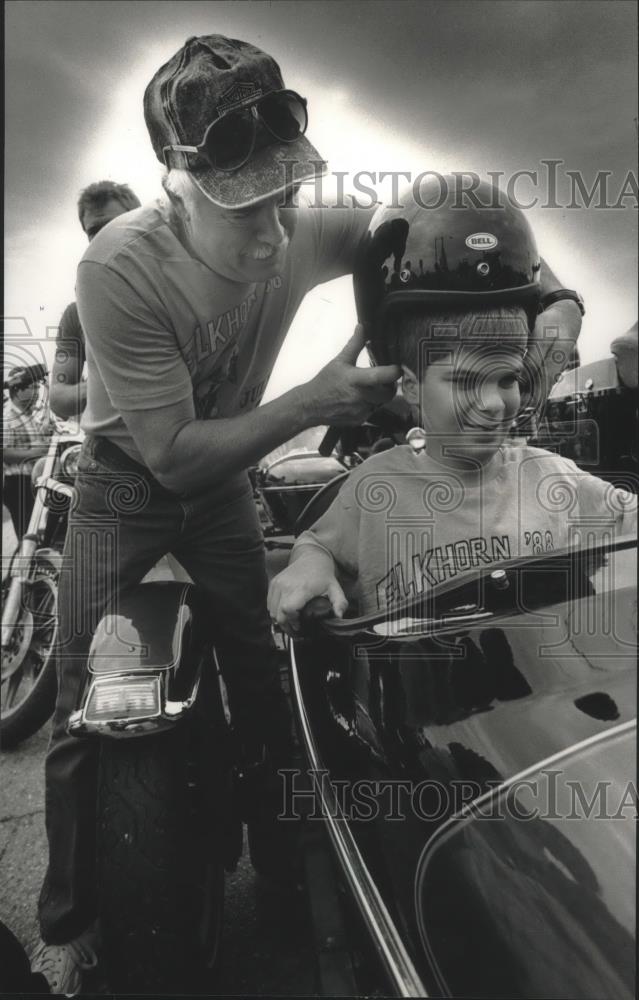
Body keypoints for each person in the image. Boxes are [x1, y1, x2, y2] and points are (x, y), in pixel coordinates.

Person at [30, 35, 580, 992]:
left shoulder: (297, 223)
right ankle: (77, 917)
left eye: (285, 194)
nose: (274, 230)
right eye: (245, 203)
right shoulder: (117, 269)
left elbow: (440, 228)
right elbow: (169, 453)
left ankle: (291, 868)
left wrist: (556, 301)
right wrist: (319, 401)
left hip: (222, 490)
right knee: (89, 699)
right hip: (126, 483)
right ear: (177, 179)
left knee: (269, 663)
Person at [268, 180, 636, 629]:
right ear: (413, 386)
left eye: (507, 378)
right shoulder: (373, 490)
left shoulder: (551, 478)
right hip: (423, 692)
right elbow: (318, 544)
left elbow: (626, 518)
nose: (493, 404)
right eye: (464, 382)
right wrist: (311, 563)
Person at [50, 181, 141, 421]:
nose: (105, 237)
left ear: (140, 223)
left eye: (115, 225)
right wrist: (117, 382)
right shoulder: (76, 313)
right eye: (94, 231)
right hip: (110, 450)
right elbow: (58, 399)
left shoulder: (172, 289)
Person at [2, 368, 56, 540]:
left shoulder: (28, 415)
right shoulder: (7, 416)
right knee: (27, 535)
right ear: (17, 391)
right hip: (18, 483)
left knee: (40, 531)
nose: (37, 391)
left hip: (30, 482)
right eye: (32, 387)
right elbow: (4, 451)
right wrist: (35, 453)